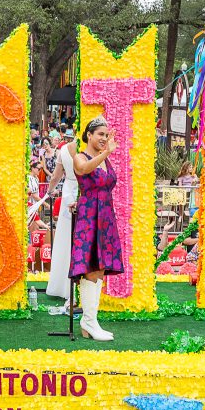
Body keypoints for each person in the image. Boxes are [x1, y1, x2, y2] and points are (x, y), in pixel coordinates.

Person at [70, 116, 124, 342]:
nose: (103, 138)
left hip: (105, 215)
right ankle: (88, 321)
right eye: (99, 134)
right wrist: (106, 153)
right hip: (90, 215)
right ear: (89, 135)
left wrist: (105, 155)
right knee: (91, 266)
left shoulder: (104, 159)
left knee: (100, 267)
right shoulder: (80, 156)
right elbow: (82, 170)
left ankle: (91, 320)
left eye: (106, 134)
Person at [45, 138, 78, 303]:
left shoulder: (64, 149)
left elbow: (56, 176)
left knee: (66, 237)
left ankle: (61, 284)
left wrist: (50, 191)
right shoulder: (90, 147)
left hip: (68, 192)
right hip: (83, 192)